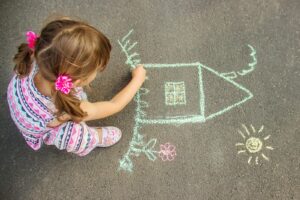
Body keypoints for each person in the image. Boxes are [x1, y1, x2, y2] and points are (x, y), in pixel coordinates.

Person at [7, 17, 146, 156]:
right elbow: (114, 104)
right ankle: (95, 137)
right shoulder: (71, 108)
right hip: (40, 123)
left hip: (20, 99)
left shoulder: (42, 57)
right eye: (96, 70)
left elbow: (61, 33)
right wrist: (138, 79)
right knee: (75, 135)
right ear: (78, 81)